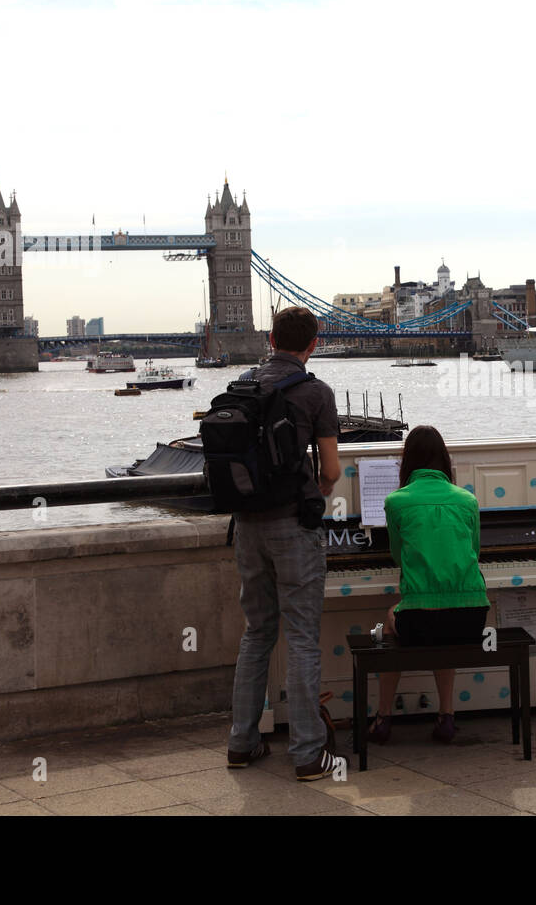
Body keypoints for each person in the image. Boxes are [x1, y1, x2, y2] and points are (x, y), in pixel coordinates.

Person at [227, 306, 345, 781]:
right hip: (294, 526)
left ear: (270, 338)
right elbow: (332, 470)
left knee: (257, 633)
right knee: (301, 638)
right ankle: (307, 754)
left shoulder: (243, 384)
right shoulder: (316, 392)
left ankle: (242, 741)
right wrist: (315, 491)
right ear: (313, 344)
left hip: (247, 526)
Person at [368, 425, 488, 745]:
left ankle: (383, 717)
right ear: (445, 461)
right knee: (444, 614)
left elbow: (397, 555)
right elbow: (474, 551)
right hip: (472, 618)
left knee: (393, 618)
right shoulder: (468, 500)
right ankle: (446, 715)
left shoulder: (396, 501)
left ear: (407, 462)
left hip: (422, 621)